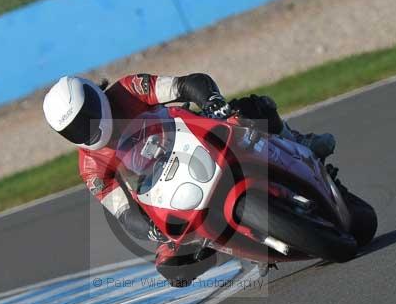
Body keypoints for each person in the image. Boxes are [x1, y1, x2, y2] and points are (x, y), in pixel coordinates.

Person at [42, 73, 342, 286]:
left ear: (96, 96)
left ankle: (299, 142)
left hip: (194, 142)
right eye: (75, 128)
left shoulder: (128, 89)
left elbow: (188, 84)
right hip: (168, 191)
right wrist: (150, 231)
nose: (88, 127)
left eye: (88, 115)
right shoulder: (90, 166)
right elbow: (122, 211)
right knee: (172, 269)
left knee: (251, 108)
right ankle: (235, 246)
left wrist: (212, 101)